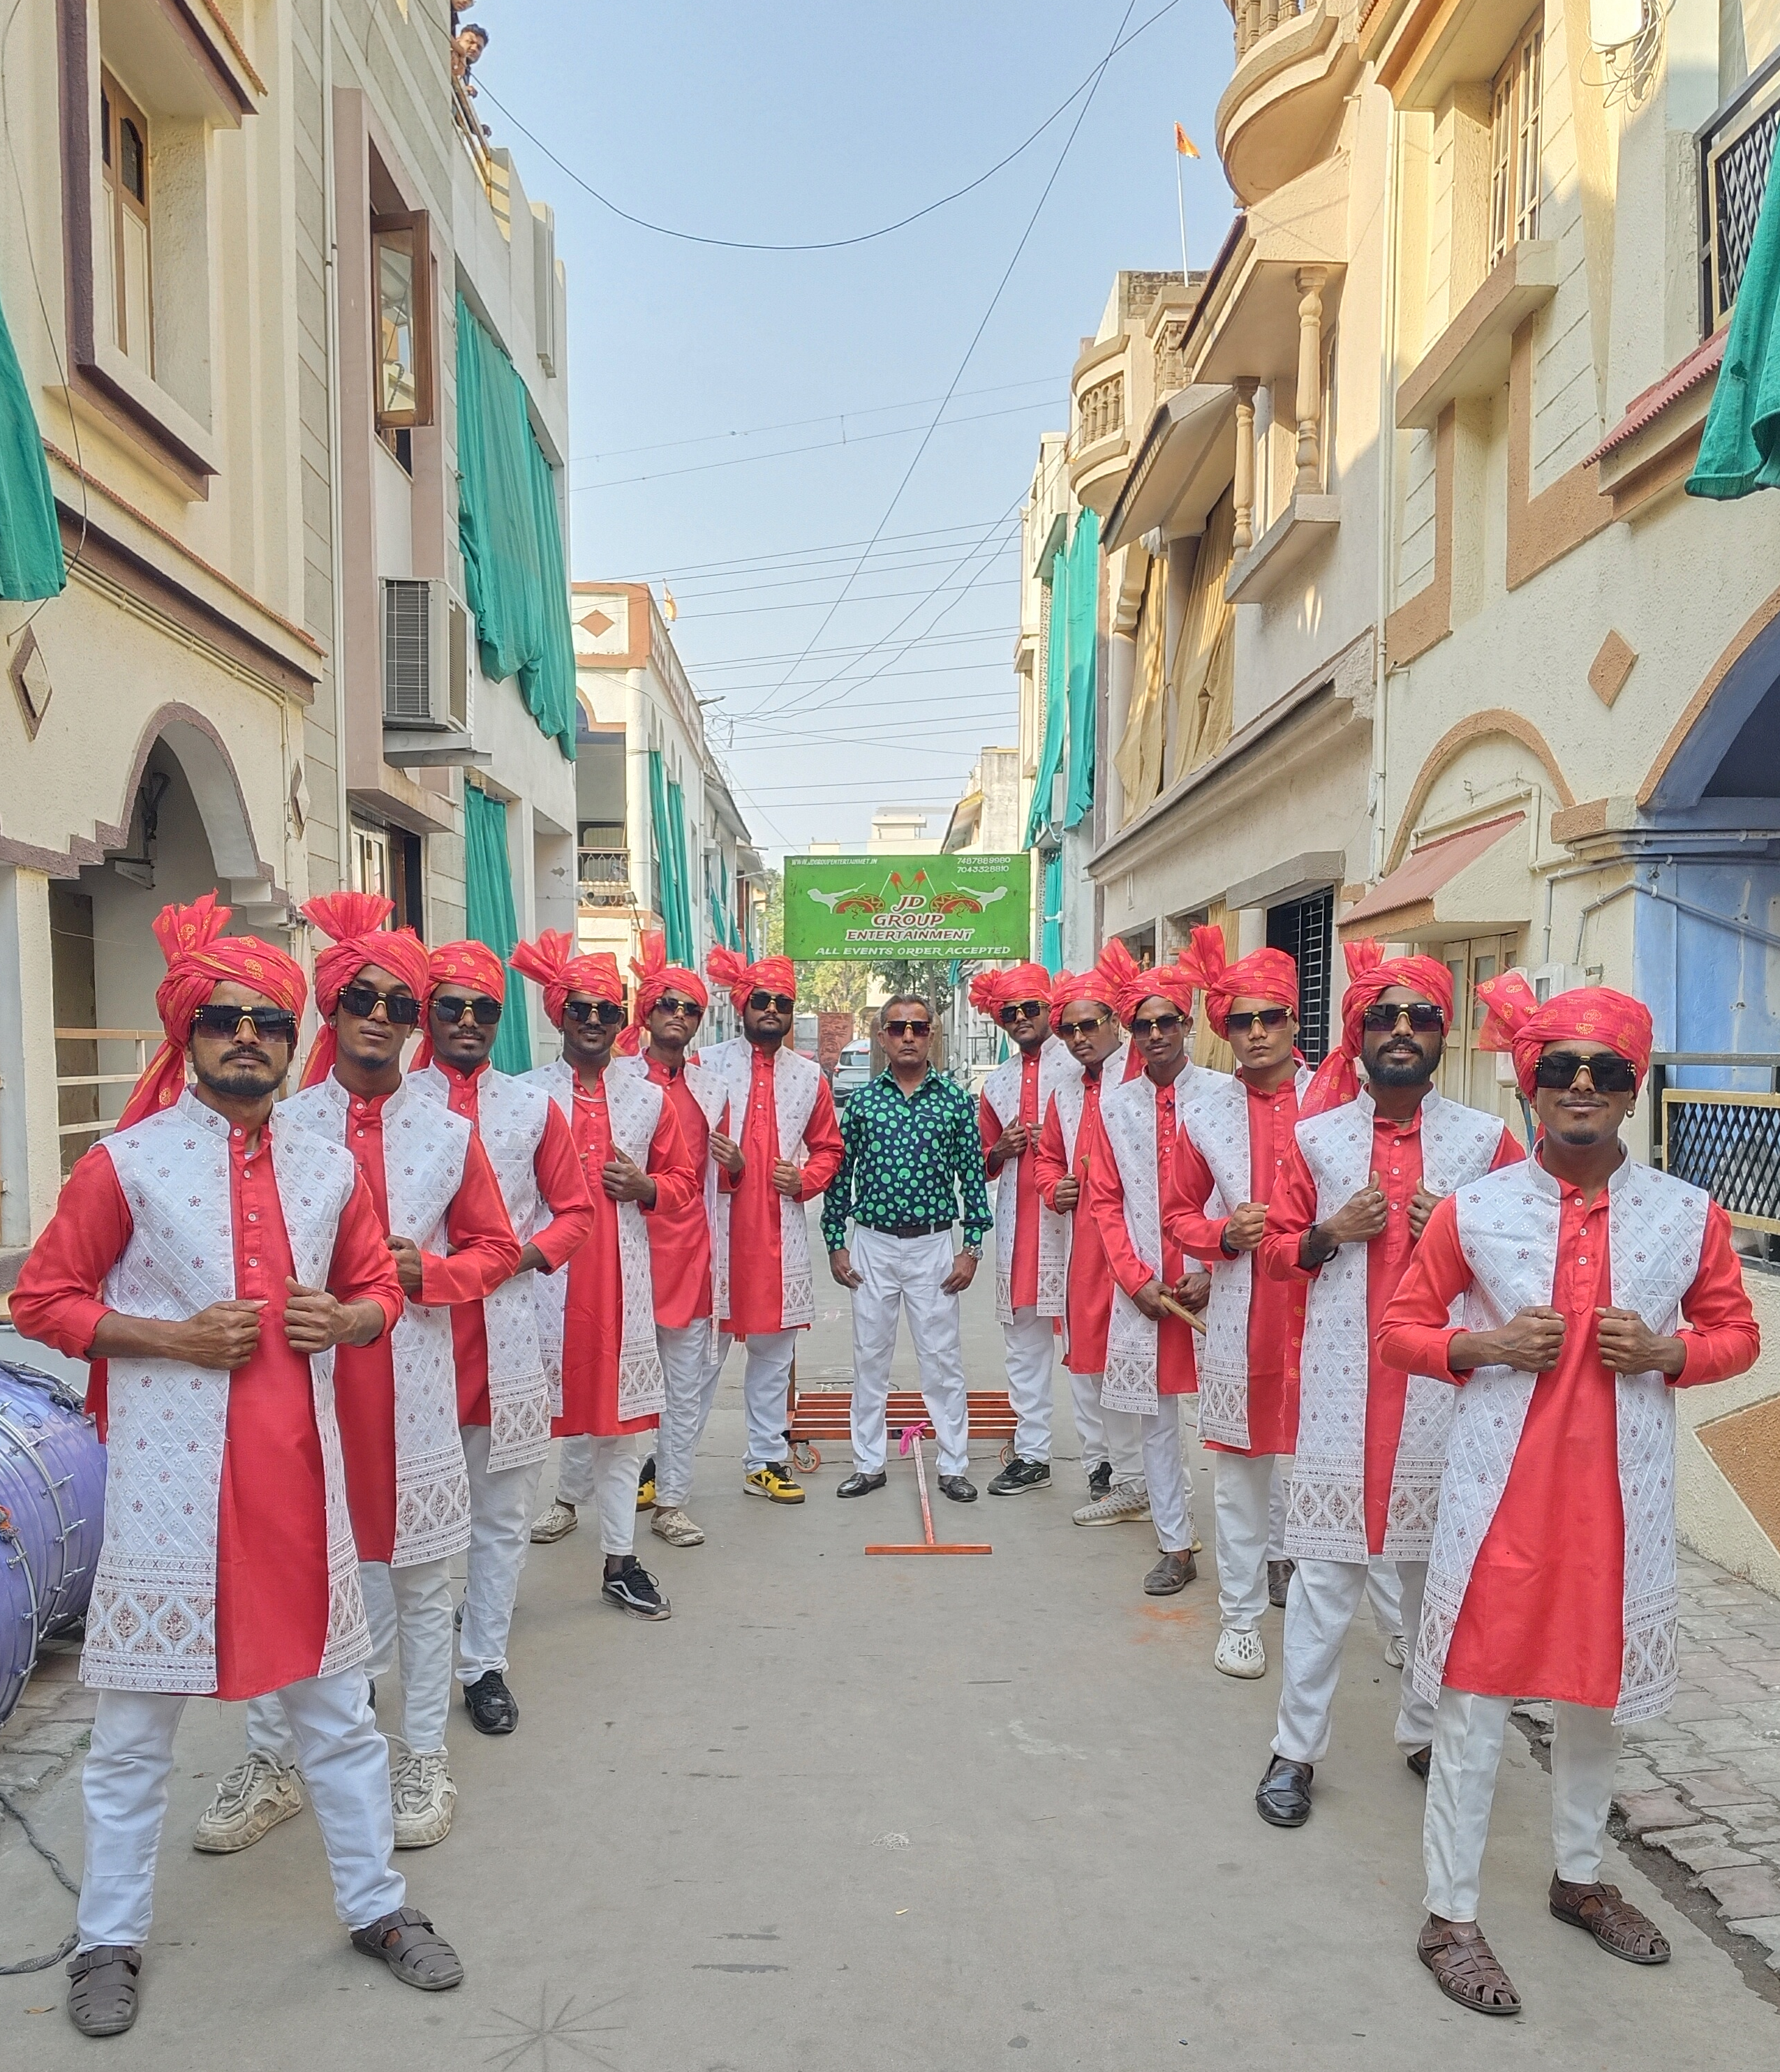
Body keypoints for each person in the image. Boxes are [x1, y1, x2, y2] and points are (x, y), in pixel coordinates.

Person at [10, 895, 463, 2038]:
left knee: (339, 1713)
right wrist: (171, 1336)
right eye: (222, 1016)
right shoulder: (127, 1163)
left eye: (268, 1017)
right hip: (170, 1490)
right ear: (188, 1031)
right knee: (131, 1736)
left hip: (299, 1486)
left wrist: (347, 1321)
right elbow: (43, 1299)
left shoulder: (323, 1168)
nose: (248, 1034)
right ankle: (109, 1935)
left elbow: (379, 1288)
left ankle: (377, 1903)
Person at [1380, 977, 1759, 2017]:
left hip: (1617, 1506)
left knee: (1595, 1705)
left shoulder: (1687, 1214)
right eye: (1560, 1067)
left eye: (1606, 1071)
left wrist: (1672, 1350)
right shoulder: (1476, 1208)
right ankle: (1448, 1913)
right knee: (1473, 1706)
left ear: (1632, 1092)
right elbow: (1398, 1330)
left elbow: (1738, 1332)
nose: (1581, 1085)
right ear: (1530, 1086)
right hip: (1497, 1504)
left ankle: (1577, 1879)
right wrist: (1483, 1344)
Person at [218, 893, 519, 1854]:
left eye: (400, 1000)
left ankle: (420, 1751)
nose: (380, 1015)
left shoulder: (445, 1133)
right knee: (288, 1573)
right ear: (330, 1008)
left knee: (425, 1583)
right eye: (361, 996)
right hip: (296, 1387)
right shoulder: (283, 1120)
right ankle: (277, 1757)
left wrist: (433, 1272)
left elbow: (495, 1245)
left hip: (415, 1379)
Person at [1252, 940, 1522, 1831]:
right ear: (1357, 1032)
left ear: (1445, 1033)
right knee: (1325, 1581)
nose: (1402, 1031)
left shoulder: (1487, 1142)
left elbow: (1532, 1264)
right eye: (1384, 1016)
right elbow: (1278, 1251)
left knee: (1427, 1576)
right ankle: (1296, 1751)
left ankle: (1421, 1729)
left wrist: (1455, 1231)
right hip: (1339, 1388)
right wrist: (1333, 1229)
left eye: (1422, 1016)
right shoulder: (1314, 1137)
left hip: (1444, 1392)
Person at [407, 940, 595, 1734]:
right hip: (407, 1337)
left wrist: (514, 1258)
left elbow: (576, 1211)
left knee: (503, 1513)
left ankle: (484, 1662)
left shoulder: (529, 1107)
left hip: (507, 1334)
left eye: (485, 1008)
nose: (469, 1022)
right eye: (451, 1006)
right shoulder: (391, 1099)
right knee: (399, 1515)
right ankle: (382, 1667)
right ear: (427, 1013)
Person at [511, 932, 696, 1618]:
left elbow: (681, 1181)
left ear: (624, 1021)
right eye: (581, 1009)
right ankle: (499, 1582)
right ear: (559, 1014)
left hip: (622, 1283)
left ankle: (621, 1558)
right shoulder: (526, 1095)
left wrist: (645, 1184)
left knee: (621, 1433)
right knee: (520, 1432)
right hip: (540, 1288)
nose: (593, 1021)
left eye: (607, 1011)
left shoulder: (648, 1098)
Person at [1166, 927, 1310, 1676]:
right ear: (1225, 1030)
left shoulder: (1337, 1100)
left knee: (1333, 1474)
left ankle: (1376, 1621)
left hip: (1330, 1320)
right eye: (1241, 1020)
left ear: (1294, 1021)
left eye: (1270, 1017)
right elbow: (1178, 1212)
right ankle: (1242, 1618)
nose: (1256, 1032)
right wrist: (1222, 1234)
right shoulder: (1208, 1115)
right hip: (1242, 1318)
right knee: (1241, 1477)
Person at [822, 996, 993, 1502]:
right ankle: (869, 1463)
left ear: (932, 1034)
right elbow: (839, 1178)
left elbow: (973, 1177)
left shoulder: (955, 1102)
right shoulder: (863, 1104)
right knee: (869, 1359)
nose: (909, 1035)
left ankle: (953, 1464)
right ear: (883, 1037)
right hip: (872, 1244)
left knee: (942, 1360)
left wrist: (972, 1248)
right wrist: (836, 1242)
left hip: (934, 1246)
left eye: (919, 1026)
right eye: (898, 1028)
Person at [697, 948, 845, 1504]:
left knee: (772, 1354)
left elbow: (830, 1148)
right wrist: (724, 1166)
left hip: (778, 1234)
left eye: (783, 1002)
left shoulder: (810, 1076)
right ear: (742, 1004)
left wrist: (804, 1179)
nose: (772, 1010)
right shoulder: (705, 1065)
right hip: (713, 1231)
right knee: (698, 1358)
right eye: (762, 999)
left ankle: (765, 1459)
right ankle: (665, 1466)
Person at [1086, 951, 1212, 1595]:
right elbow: (1104, 1201)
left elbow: (1247, 1190)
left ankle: (1275, 1551)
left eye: (1166, 1020)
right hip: (1147, 1289)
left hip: (1222, 1283)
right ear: (1131, 1034)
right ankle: (1175, 1544)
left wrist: (1213, 1269)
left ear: (1186, 1022)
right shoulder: (1115, 1107)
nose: (1156, 1033)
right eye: (1143, 1025)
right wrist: (1135, 1280)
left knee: (1243, 1417)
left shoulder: (1222, 1096)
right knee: (1159, 1420)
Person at [611, 932, 729, 1548]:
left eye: (691, 1009)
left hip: (689, 1254)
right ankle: (573, 1496)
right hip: (623, 1252)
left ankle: (673, 1501)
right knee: (611, 1384)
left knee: (683, 1387)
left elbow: (723, 1179)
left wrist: (731, 1161)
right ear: (647, 1013)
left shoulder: (711, 1089)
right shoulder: (616, 1078)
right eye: (669, 1006)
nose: (679, 1017)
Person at [1032, 951, 1148, 1515]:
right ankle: (1114, 1473)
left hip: (1141, 1242)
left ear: (1114, 1021)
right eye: (1069, 1028)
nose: (1079, 1037)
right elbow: (1046, 1160)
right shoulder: (1066, 1092)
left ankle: (1145, 1480)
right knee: (1090, 1357)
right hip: (1084, 1247)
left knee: (1140, 1358)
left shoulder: (1146, 1078)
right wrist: (1057, 1189)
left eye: (1089, 1024)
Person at [973, 962, 1077, 1495]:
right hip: (1020, 1222)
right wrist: (1004, 1148)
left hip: (1076, 1221)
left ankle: (1105, 1463)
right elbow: (982, 1159)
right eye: (1009, 1013)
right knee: (1024, 1341)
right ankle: (1033, 1452)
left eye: (1029, 1008)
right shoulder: (1000, 1081)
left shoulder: (1080, 1064)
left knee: (1086, 1343)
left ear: (1049, 1009)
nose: (1019, 1019)